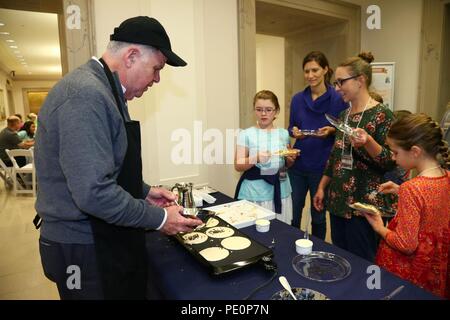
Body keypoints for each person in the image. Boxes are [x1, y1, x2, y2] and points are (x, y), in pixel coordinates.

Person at [34, 16, 202, 300]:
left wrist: (144, 192)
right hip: (82, 247)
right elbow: (94, 193)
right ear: (132, 56)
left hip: (98, 237)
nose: (157, 79)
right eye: (156, 69)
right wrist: (160, 219)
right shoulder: (85, 96)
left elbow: (105, 168)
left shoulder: (107, 91)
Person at [313, 52, 396, 261]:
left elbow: (390, 161)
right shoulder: (343, 116)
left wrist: (368, 142)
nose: (337, 87)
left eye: (341, 82)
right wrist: (322, 187)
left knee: (363, 261)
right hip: (338, 200)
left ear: (360, 80)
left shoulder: (383, 115)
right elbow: (335, 157)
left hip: (364, 206)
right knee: (340, 257)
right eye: (336, 82)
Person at [362, 113, 450, 299]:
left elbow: (406, 244)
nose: (393, 158)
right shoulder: (446, 177)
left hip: (411, 271)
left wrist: (379, 227)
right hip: (436, 266)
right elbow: (432, 206)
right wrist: (400, 190)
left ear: (415, 151)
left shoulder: (413, 188)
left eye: (395, 152)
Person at [287, 51, 347, 239]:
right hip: (298, 163)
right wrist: (294, 132)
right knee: (293, 212)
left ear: (325, 70)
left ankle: (316, 251)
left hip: (323, 167)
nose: (310, 75)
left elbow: (345, 131)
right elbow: (291, 127)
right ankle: (291, 246)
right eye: (306, 71)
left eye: (315, 70)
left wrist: (331, 131)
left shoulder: (338, 98)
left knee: (318, 215)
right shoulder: (298, 99)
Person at [234, 90, 298, 224]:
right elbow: (238, 165)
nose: (263, 114)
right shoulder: (246, 134)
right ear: (254, 110)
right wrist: (255, 158)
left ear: (276, 111)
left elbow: (285, 164)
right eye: (259, 109)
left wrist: (290, 160)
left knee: (280, 232)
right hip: (255, 193)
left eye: (268, 109)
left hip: (281, 189)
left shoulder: (283, 133)